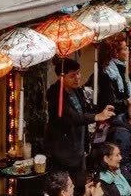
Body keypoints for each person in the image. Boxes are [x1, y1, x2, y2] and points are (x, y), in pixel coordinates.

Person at [42, 57, 114, 188]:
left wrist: (100, 111)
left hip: (79, 145)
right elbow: (72, 117)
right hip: (63, 149)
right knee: (66, 187)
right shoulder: (55, 94)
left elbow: (84, 111)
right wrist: (96, 117)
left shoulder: (76, 90)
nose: (77, 78)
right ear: (61, 77)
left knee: (80, 183)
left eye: (78, 73)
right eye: (72, 75)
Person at [95, 36, 131, 113]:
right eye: (125, 49)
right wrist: (127, 102)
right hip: (112, 115)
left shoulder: (121, 67)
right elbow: (109, 100)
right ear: (116, 53)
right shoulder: (107, 72)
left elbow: (128, 90)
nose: (128, 52)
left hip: (123, 111)